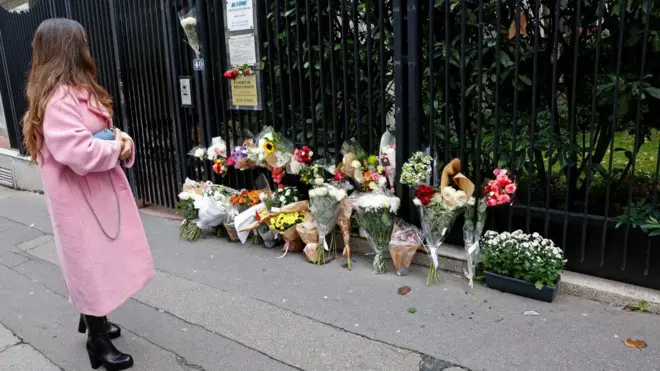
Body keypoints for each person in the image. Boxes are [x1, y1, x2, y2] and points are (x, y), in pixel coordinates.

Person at [22, 18, 155, 371]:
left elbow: (99, 133)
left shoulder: (72, 89)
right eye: (81, 42)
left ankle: (93, 317)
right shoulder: (60, 98)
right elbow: (79, 152)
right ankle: (97, 340)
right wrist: (116, 144)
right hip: (79, 200)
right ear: (70, 48)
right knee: (90, 264)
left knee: (97, 261)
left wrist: (119, 140)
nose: (87, 47)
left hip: (91, 195)